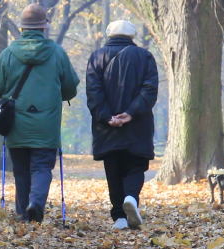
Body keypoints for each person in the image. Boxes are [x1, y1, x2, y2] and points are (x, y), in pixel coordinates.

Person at [0, 4, 79, 223]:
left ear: (22, 27)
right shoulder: (57, 52)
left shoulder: (9, 53)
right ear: (44, 27)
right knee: (42, 167)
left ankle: (23, 214)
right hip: (47, 124)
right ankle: (36, 203)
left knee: (21, 170)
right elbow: (71, 86)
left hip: (16, 122)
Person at [86, 20, 159, 229]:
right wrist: (130, 113)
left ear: (110, 34)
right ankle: (131, 199)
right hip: (138, 124)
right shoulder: (145, 57)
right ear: (132, 36)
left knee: (113, 169)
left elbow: (93, 92)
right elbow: (149, 90)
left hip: (106, 128)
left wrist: (108, 116)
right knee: (136, 165)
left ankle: (119, 216)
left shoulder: (97, 56)